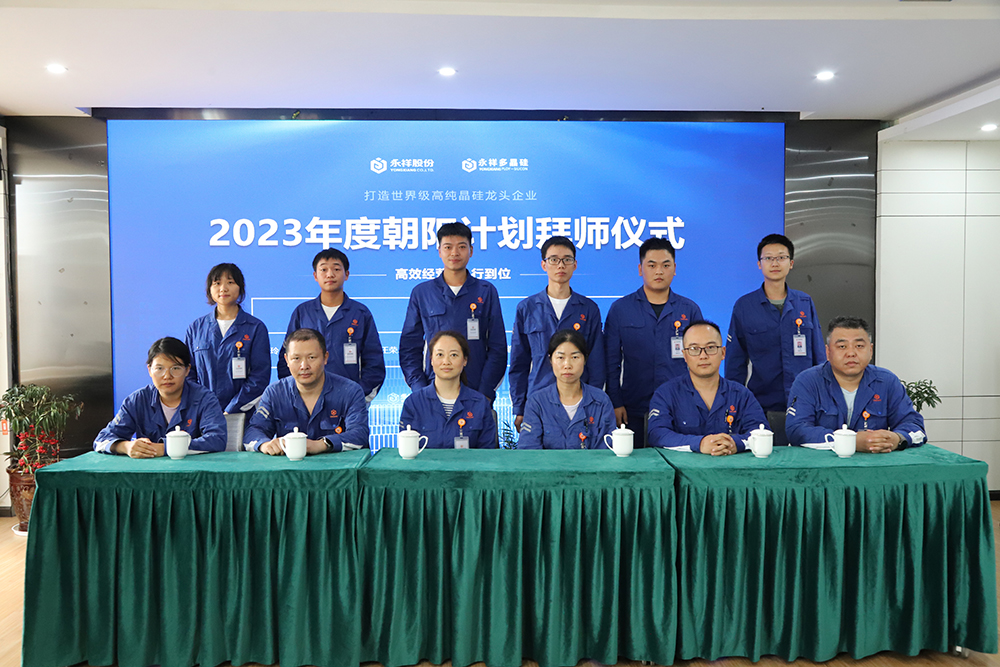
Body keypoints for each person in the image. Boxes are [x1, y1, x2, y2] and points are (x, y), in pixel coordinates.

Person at [604, 237, 703, 447]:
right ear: (640, 269)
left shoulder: (689, 310)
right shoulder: (621, 309)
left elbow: (700, 362)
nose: (659, 271)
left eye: (666, 265)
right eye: (652, 265)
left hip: (679, 406)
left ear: (674, 269)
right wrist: (615, 402)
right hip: (632, 407)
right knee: (633, 462)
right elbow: (611, 362)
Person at [725, 234, 824, 444]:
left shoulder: (804, 302)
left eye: (781, 257)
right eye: (768, 258)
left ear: (791, 263)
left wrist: (823, 395)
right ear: (759, 264)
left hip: (805, 403)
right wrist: (734, 404)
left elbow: (818, 355)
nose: (775, 263)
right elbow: (735, 363)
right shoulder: (744, 306)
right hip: (762, 404)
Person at [399, 222, 506, 401]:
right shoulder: (422, 293)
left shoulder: (486, 291)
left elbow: (498, 347)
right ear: (439, 251)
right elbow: (409, 347)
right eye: (448, 247)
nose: (454, 253)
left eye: (461, 247)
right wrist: (420, 390)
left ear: (471, 251)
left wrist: (485, 392)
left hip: (476, 391)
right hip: (432, 392)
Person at [786, 316, 925, 452]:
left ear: (870, 350)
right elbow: (797, 430)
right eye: (842, 346)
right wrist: (849, 441)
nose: (851, 353)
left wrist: (897, 438)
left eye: (859, 346)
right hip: (821, 464)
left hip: (874, 464)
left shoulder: (887, 382)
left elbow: (915, 427)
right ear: (828, 352)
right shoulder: (808, 381)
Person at [509, 236, 605, 432]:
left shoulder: (588, 309)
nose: (560, 265)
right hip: (538, 400)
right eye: (553, 259)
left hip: (579, 401)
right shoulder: (527, 308)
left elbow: (596, 362)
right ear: (544, 264)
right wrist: (519, 407)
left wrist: (593, 403)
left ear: (575, 265)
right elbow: (519, 363)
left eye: (567, 259)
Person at [276, 249, 386, 402]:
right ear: (315, 276)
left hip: (349, 401)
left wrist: (358, 396)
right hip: (307, 400)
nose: (330, 274)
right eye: (323, 270)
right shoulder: (303, 312)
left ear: (346, 274)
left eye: (336, 269)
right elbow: (287, 358)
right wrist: (296, 395)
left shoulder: (360, 313)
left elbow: (374, 362)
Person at [647, 320, 766, 454]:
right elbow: (657, 434)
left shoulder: (741, 394)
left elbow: (761, 432)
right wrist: (700, 444)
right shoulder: (666, 394)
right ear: (684, 355)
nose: (703, 356)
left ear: (723, 352)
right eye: (694, 349)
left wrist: (735, 443)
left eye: (710, 348)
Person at [244, 328, 369, 455]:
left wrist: (322, 445)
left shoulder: (350, 391)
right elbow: (253, 432)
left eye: (311, 357)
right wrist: (265, 445)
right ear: (287, 360)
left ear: (325, 357)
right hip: (289, 466)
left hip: (340, 465)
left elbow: (360, 435)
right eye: (296, 358)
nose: (304, 366)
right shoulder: (274, 393)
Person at [94, 337, 226, 456]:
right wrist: (126, 446)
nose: (167, 376)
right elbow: (101, 440)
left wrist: (166, 448)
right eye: (159, 368)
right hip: (148, 471)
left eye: (175, 368)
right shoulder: (137, 400)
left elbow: (217, 439)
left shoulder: (205, 399)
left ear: (187, 370)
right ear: (149, 370)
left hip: (193, 471)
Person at [185, 262, 270, 415]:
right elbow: (188, 373)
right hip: (203, 413)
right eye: (217, 283)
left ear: (240, 288)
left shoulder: (255, 327)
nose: (223, 288)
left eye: (230, 282)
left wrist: (232, 408)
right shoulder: (196, 328)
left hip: (243, 414)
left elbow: (260, 376)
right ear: (209, 289)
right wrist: (203, 405)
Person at [518, 330, 617, 450]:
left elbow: (606, 452)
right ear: (550, 360)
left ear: (585, 360)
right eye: (560, 357)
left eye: (575, 357)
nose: (567, 365)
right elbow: (529, 451)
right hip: (547, 463)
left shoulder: (601, 401)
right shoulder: (537, 402)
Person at [398, 331, 497, 449]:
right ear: (431, 360)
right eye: (440, 354)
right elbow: (407, 451)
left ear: (465, 360)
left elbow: (487, 454)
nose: (446, 362)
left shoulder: (479, 403)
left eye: (454, 355)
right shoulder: (414, 403)